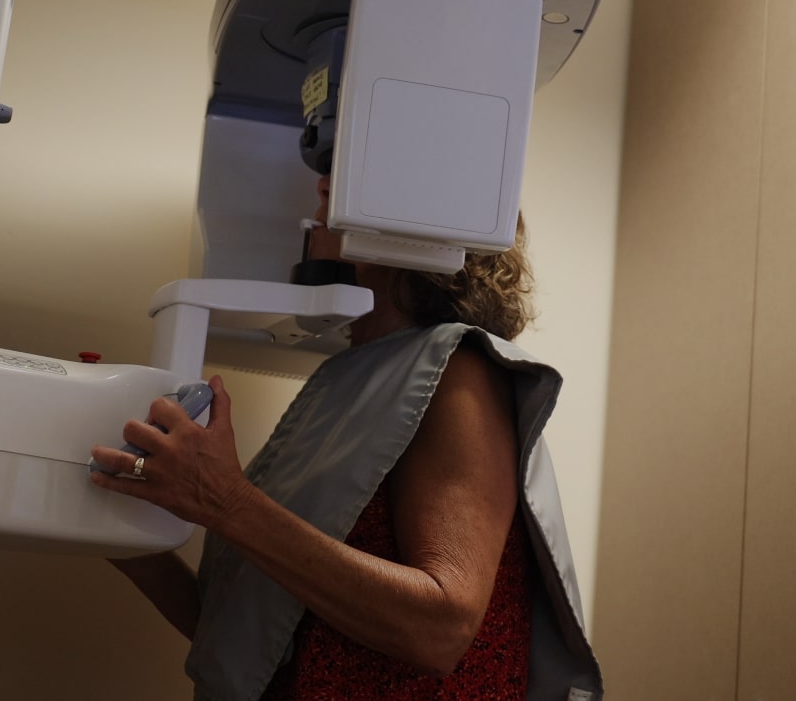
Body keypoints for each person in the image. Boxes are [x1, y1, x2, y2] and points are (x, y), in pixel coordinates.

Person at [90, 176, 602, 701]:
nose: (323, 181)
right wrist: (105, 511)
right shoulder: (343, 381)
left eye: (352, 167)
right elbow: (236, 633)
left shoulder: (458, 371)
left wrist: (225, 501)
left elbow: (441, 628)